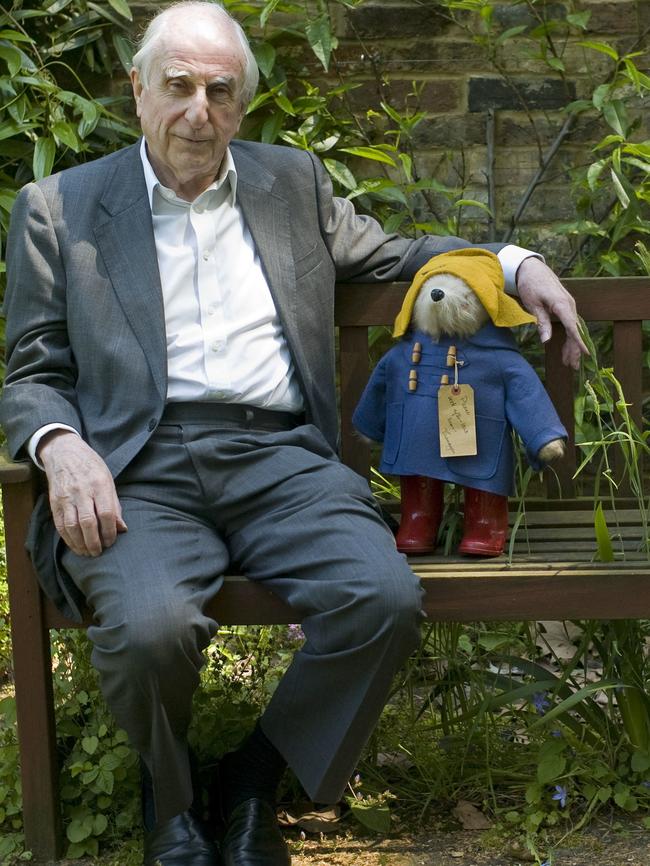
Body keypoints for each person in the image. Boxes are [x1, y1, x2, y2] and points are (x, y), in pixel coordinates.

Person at [0, 3, 587, 864]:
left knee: (381, 601)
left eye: (220, 90)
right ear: (137, 91)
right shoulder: (62, 207)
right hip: (140, 465)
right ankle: (172, 800)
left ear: (240, 106)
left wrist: (513, 262)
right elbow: (31, 366)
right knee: (151, 625)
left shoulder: (291, 185)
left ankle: (255, 778)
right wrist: (58, 443)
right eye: (178, 86)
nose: (198, 109)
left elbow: (397, 255)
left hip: (279, 460)